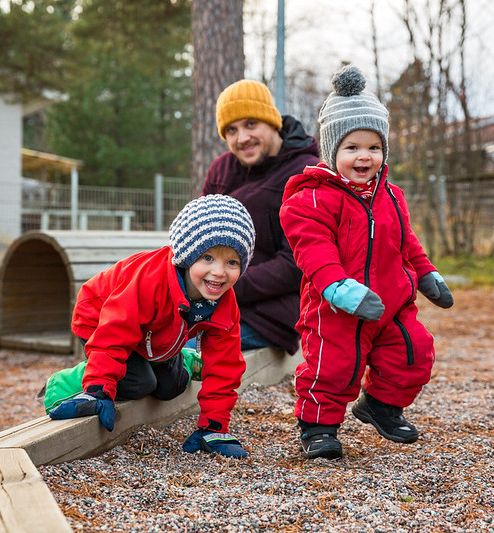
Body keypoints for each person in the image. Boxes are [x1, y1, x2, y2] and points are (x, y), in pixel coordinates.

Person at [279, 65, 455, 460]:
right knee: (332, 367)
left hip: (391, 305)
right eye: (352, 147)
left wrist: (426, 273)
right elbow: (314, 250)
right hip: (336, 309)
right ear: (332, 152)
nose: (365, 156)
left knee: (414, 351)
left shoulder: (391, 195)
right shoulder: (311, 200)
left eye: (374, 147)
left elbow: (406, 241)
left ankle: (380, 406)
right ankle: (318, 427)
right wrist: (338, 287)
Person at [48, 195, 256, 459]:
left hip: (154, 335)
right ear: (187, 255)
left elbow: (225, 364)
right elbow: (115, 331)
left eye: (232, 262)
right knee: (140, 383)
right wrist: (99, 388)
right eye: (207, 257)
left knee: (171, 387)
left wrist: (214, 427)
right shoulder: (150, 280)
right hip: (101, 318)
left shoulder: (223, 302)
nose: (219, 272)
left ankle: (181, 360)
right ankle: (68, 383)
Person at [201, 79, 320, 355]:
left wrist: (224, 284)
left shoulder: (306, 172)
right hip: (213, 301)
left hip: (269, 317)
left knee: (178, 348)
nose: (242, 138)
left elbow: (296, 265)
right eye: (232, 130)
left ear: (272, 121)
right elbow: (198, 238)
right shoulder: (221, 169)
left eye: (251, 124)